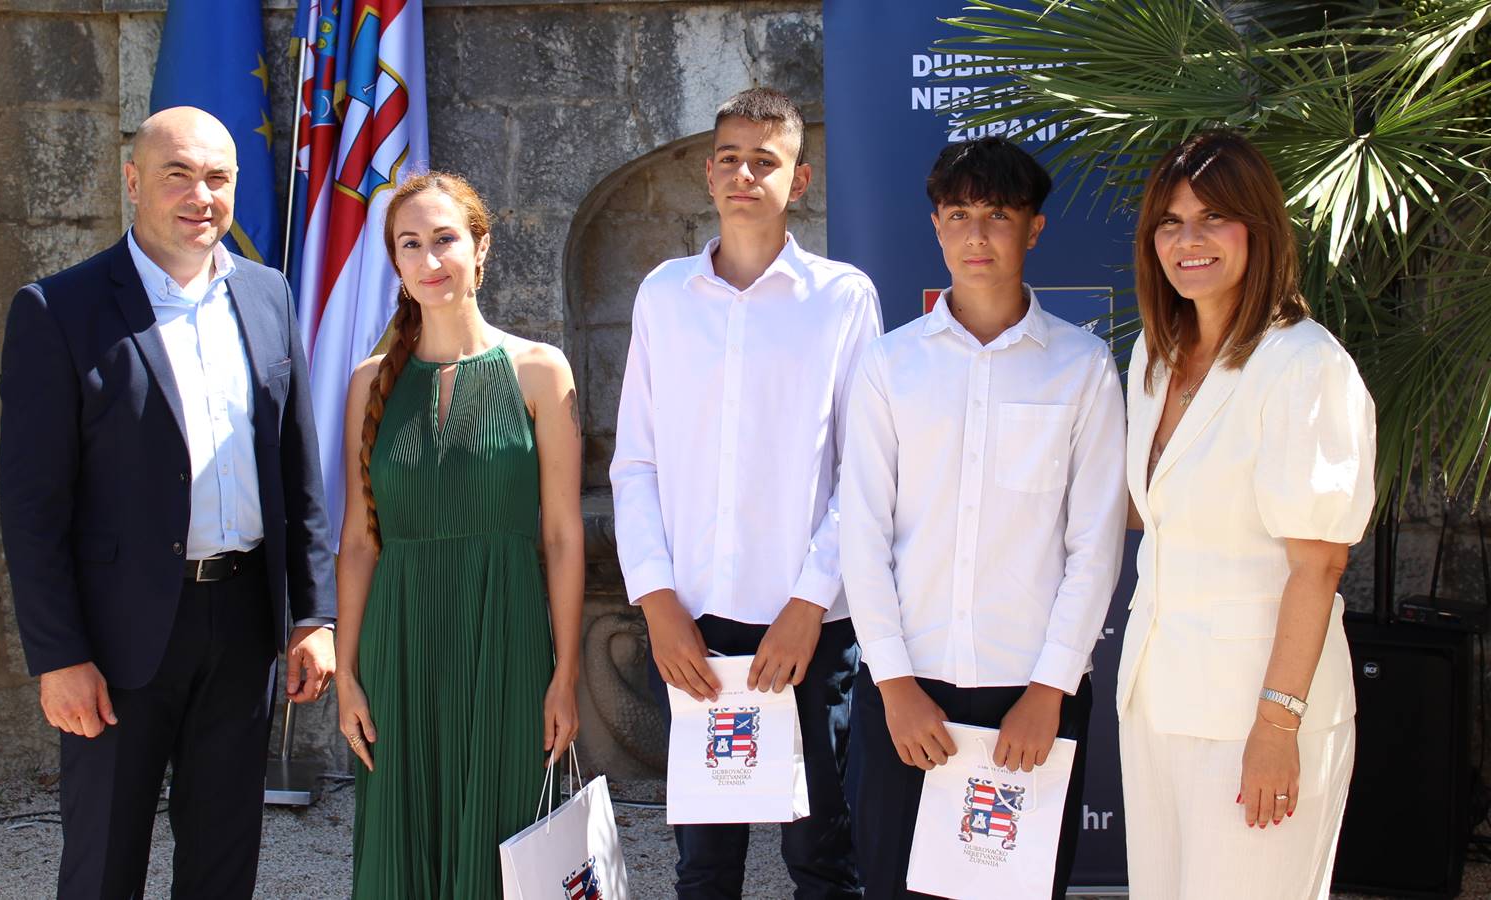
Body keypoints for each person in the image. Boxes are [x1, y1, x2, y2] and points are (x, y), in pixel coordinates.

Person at [0, 107, 337, 898]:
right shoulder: (58, 310)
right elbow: (32, 508)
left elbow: (298, 470)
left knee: (224, 858)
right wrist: (58, 656)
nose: (200, 196)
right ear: (133, 181)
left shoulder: (267, 295)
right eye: (177, 174)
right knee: (104, 861)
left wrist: (314, 616)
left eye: (217, 177)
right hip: (117, 638)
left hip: (244, 624)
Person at [611, 86, 882, 899]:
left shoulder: (842, 298)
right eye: (729, 158)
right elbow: (636, 463)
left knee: (821, 859)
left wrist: (809, 603)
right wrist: (657, 601)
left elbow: (866, 470)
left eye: (765, 161)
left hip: (809, 626)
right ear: (708, 172)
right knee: (705, 866)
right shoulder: (664, 296)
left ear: (799, 180)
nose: (744, 175)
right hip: (693, 622)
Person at [838, 137, 1126, 899]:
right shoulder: (890, 364)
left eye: (998, 214)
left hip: (1029, 696)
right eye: (959, 214)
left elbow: (1095, 546)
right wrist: (894, 685)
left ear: (1034, 228)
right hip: (908, 693)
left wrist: (1049, 692)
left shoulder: (1082, 366)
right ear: (936, 225)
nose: (977, 234)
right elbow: (862, 533)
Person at [1118, 131, 1376, 899]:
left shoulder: (1305, 365)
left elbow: (1319, 564)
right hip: (1157, 701)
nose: (1188, 241)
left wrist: (1277, 726)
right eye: (1170, 222)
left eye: (1212, 218)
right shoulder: (1154, 357)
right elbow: (1161, 514)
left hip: (1254, 715)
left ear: (1258, 228)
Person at [333, 170, 584, 897]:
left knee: (506, 837)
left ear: (481, 249)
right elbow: (359, 541)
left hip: (506, 638)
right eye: (410, 244)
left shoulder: (540, 371)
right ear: (396, 261)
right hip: (397, 644)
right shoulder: (368, 382)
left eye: (444, 238)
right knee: (399, 841)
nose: (429, 259)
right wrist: (347, 675)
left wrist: (565, 675)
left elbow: (563, 536)